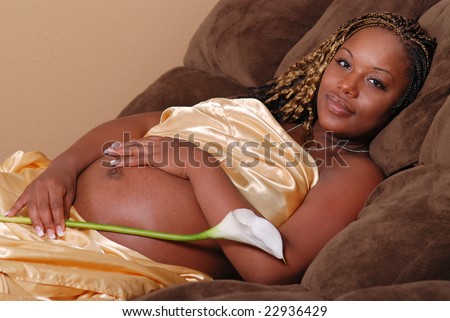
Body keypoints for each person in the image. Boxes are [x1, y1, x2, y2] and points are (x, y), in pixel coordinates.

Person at [0, 12, 436, 300]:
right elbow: (136, 126)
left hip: (99, 263)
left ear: (399, 104)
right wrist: (61, 168)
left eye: (376, 82)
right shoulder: (257, 114)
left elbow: (271, 269)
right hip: (45, 209)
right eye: (344, 63)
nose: (347, 85)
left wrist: (197, 164)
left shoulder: (352, 172)